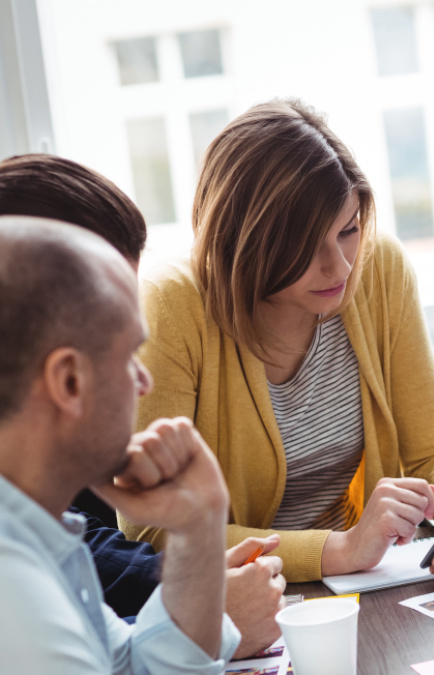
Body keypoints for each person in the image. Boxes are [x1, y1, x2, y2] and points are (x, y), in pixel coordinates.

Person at [124, 100, 434, 582]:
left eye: (347, 231)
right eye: (307, 248)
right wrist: (339, 550)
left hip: (365, 580)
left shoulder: (378, 264)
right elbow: (152, 531)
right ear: (244, 243)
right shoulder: (170, 304)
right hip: (247, 600)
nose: (341, 267)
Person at [0, 153, 287, 657]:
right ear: (68, 379)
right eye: (129, 352)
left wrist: (200, 530)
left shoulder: (42, 532)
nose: (145, 381)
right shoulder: (15, 591)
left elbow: (134, 665)